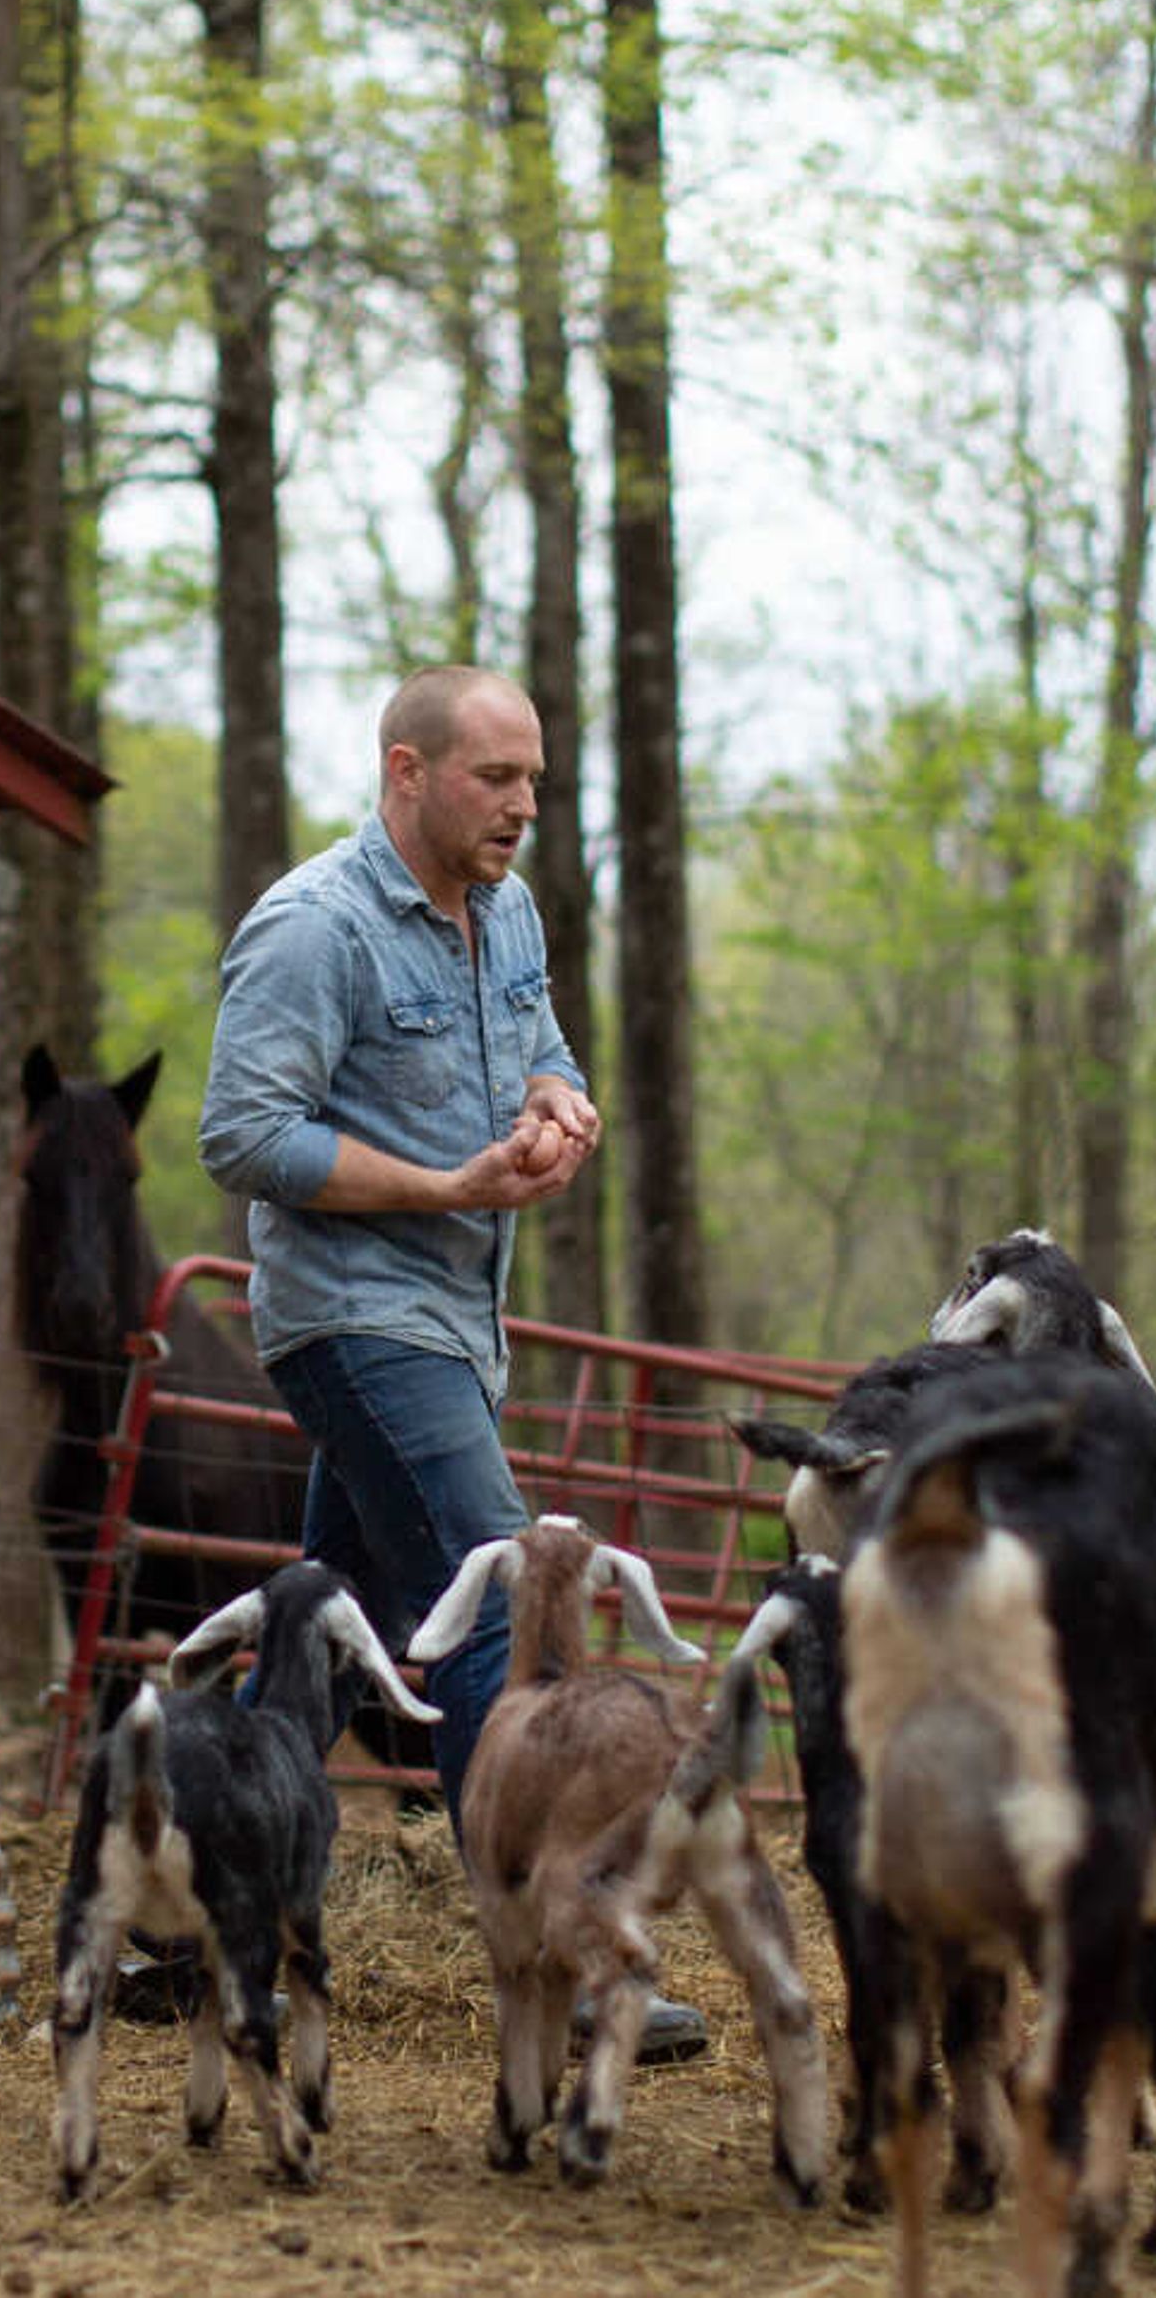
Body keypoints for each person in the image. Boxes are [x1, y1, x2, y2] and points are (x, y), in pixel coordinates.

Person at [197, 664, 707, 2063]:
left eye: (534, 777)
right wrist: (441, 1185)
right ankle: (571, 1948)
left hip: (455, 1329)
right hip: (356, 1319)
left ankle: (208, 1900)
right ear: (405, 771)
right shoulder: (313, 929)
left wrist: (560, 1099)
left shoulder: (509, 910)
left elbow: (538, 1040)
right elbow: (241, 1133)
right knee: (505, 1598)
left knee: (330, 1635)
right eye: (496, 777)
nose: (525, 805)